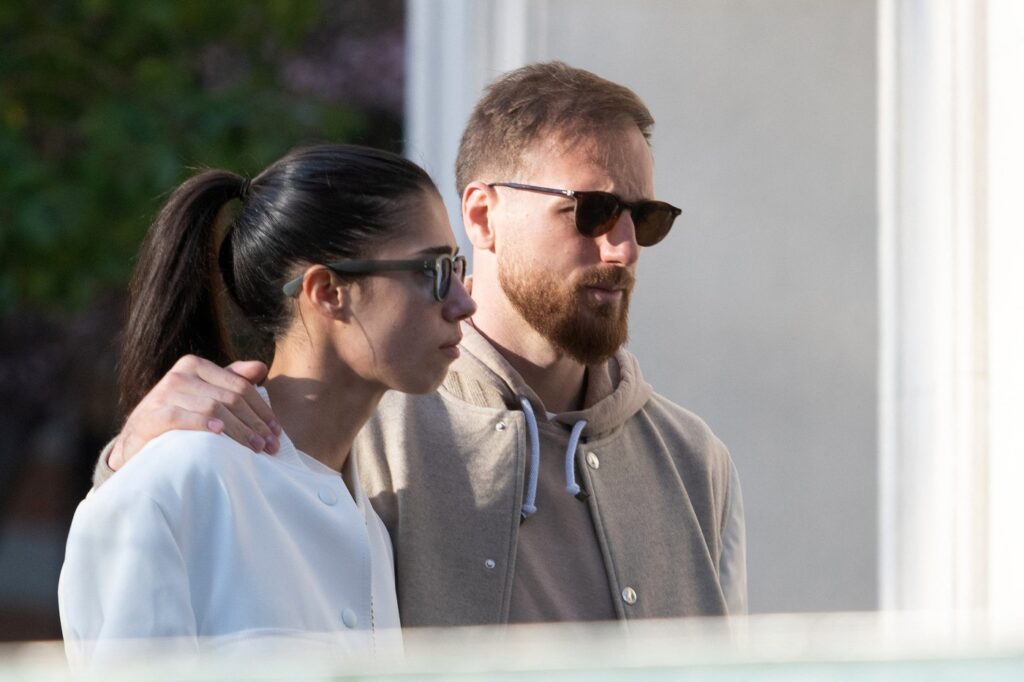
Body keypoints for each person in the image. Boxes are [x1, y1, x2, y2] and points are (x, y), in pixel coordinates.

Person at [91, 62, 747, 626]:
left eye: (647, 219)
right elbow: (163, 541)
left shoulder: (696, 462)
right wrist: (129, 455)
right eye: (594, 211)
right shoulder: (358, 422)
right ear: (483, 216)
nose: (624, 247)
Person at [58, 144, 476, 666]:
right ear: (327, 291)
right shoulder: (180, 479)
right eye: (434, 270)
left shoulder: (364, 512)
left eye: (457, 266)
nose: (464, 300)